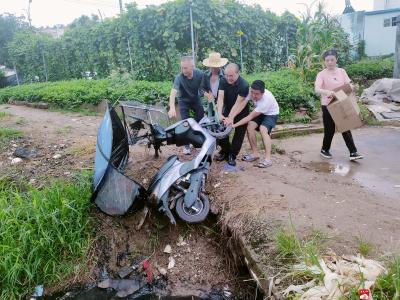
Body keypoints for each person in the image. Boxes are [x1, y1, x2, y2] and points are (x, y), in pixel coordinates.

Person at [315, 49, 363, 161]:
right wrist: (327, 92)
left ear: (336, 59)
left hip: (341, 100)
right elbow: (317, 89)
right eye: (327, 60)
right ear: (324, 62)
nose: (330, 62)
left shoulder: (342, 71)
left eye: (332, 60)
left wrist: (352, 87)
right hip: (328, 104)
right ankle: (324, 149)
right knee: (329, 129)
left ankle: (353, 152)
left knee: (345, 126)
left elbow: (348, 84)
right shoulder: (321, 74)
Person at [232, 80, 279, 168]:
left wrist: (234, 125)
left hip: (271, 114)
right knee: (250, 126)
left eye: (257, 94)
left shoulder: (266, 100)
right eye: (252, 93)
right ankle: (255, 154)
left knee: (263, 129)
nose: (253, 95)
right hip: (260, 112)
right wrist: (231, 117)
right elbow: (242, 104)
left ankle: (268, 159)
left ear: (263, 93)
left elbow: (249, 117)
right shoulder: (251, 91)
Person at [168, 56, 205, 155]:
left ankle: (198, 141)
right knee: (185, 122)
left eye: (185, 68)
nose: (183, 70)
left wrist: (206, 94)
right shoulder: (179, 77)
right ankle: (186, 145)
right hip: (183, 101)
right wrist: (172, 107)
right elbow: (173, 93)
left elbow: (204, 88)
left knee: (201, 119)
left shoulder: (200, 74)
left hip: (195, 99)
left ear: (192, 66)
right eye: (182, 68)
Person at [216, 63, 250, 166]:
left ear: (238, 73)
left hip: (241, 111)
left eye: (231, 76)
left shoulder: (244, 84)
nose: (228, 78)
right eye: (226, 75)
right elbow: (220, 97)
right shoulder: (222, 80)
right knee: (222, 130)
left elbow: (238, 104)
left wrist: (231, 118)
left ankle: (232, 155)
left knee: (238, 135)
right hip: (227, 109)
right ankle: (225, 152)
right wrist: (219, 113)